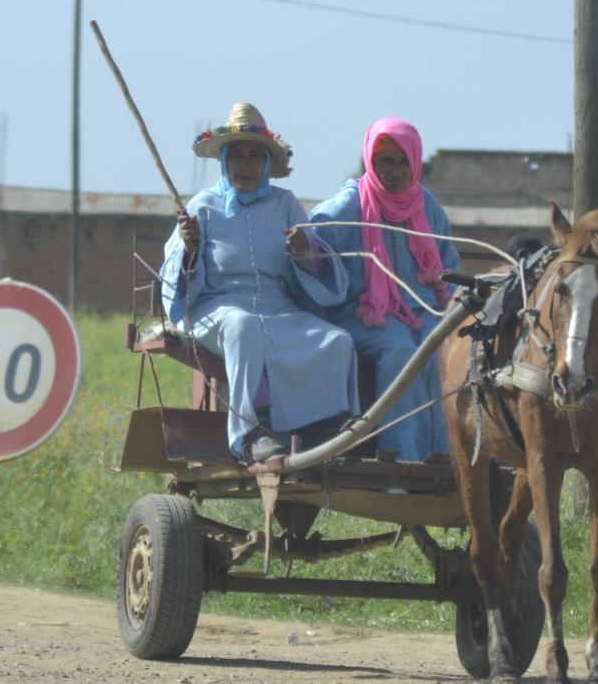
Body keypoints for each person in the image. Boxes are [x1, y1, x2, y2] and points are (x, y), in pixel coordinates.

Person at [160, 102, 358, 463]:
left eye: (255, 156)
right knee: (243, 326)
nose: (246, 165)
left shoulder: (286, 204)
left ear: (267, 162)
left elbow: (315, 264)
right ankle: (250, 434)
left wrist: (304, 251)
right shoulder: (202, 207)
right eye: (237, 156)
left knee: (337, 339)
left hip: (278, 307)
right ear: (225, 161)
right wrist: (191, 249)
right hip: (215, 307)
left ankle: (327, 429)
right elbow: (177, 281)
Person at [308, 118, 460, 461]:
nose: (395, 171)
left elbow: (449, 264)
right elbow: (314, 247)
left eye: (403, 161)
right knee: (400, 354)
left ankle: (450, 457)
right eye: (385, 161)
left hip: (424, 313)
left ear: (416, 162)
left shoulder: (426, 205)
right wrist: (307, 251)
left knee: (451, 350)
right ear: (369, 163)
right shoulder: (348, 206)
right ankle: (403, 458)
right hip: (365, 316)